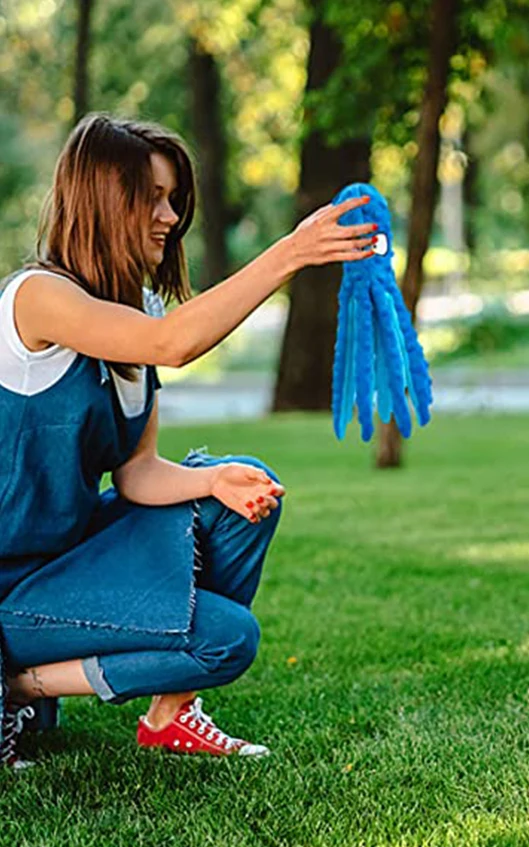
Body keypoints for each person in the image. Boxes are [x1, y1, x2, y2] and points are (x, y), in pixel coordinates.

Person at [0, 113, 377, 768]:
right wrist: (291, 251)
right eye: (152, 198)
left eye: (173, 199)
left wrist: (212, 481)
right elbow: (173, 344)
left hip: (68, 560)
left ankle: (164, 713)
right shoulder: (36, 299)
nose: (171, 216)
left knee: (237, 489)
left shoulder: (136, 306)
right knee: (226, 639)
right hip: (10, 586)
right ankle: (13, 687)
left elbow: (137, 473)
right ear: (102, 200)